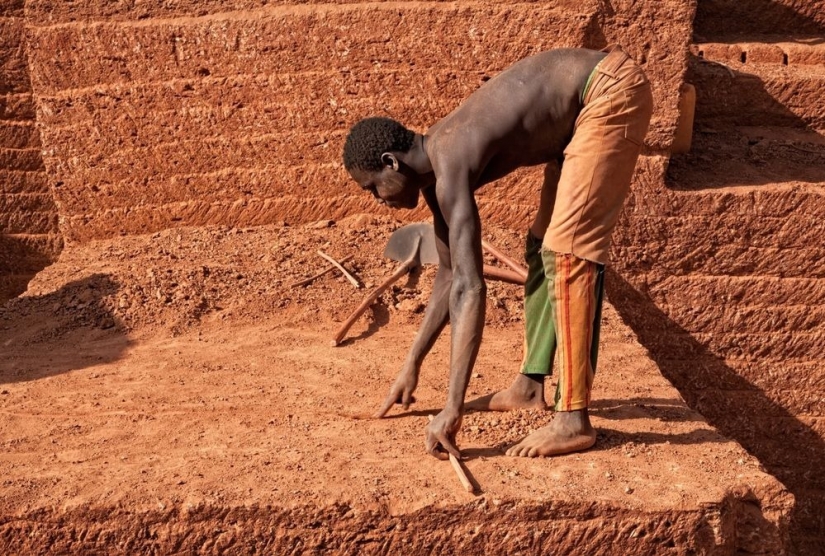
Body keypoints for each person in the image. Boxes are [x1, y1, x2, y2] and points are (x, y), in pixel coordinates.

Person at [342, 46, 653, 460]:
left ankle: (573, 420)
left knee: (568, 253)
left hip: (607, 92)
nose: (377, 200)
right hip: (577, 116)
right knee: (542, 246)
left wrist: (453, 408)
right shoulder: (438, 166)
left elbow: (471, 290)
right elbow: (450, 276)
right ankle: (529, 386)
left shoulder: (449, 162)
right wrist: (411, 364)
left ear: (391, 163)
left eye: (373, 187)